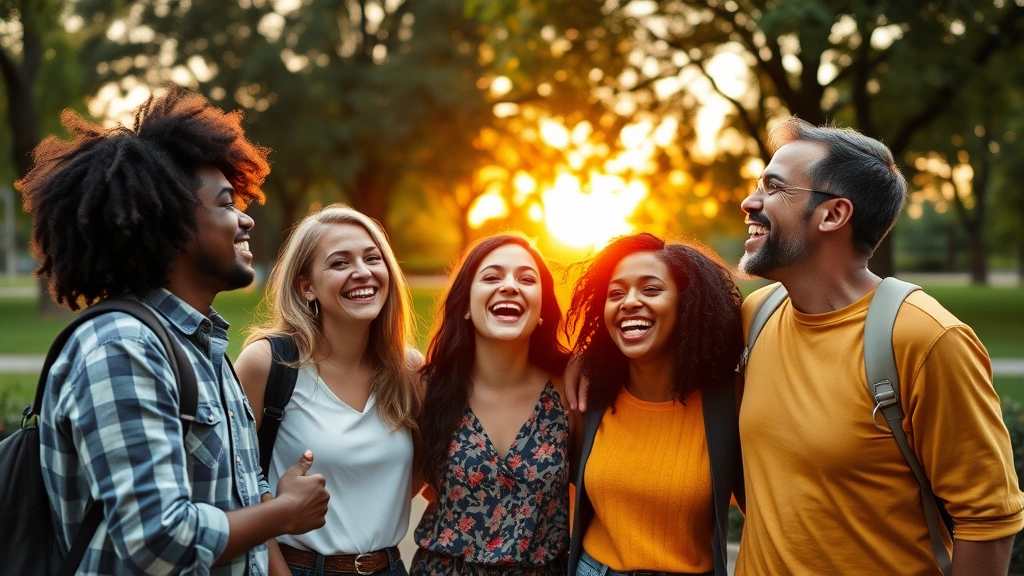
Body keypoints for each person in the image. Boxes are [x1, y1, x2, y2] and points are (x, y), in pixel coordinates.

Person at [20, 89, 330, 575]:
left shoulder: (203, 346)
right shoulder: (122, 348)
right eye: (226, 204)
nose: (246, 218)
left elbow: (234, 493)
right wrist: (284, 514)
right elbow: (156, 541)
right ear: (172, 225)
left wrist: (270, 506)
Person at [734, 117, 1023, 574]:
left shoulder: (925, 338)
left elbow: (987, 520)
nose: (750, 202)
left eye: (774, 188)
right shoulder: (756, 316)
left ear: (833, 215)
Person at [234, 204, 420, 576]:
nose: (362, 272)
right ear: (307, 287)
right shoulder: (267, 363)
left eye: (372, 258)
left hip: (388, 567)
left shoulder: (409, 370)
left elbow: (422, 470)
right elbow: (235, 485)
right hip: (295, 568)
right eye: (340, 263)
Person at [563, 233, 744, 576]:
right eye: (616, 293)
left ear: (687, 304)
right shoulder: (590, 396)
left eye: (650, 289)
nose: (629, 301)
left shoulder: (729, 400)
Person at [411, 234, 573, 576]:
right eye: (491, 277)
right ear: (466, 306)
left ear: (542, 309)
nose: (510, 286)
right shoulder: (427, 390)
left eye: (526, 279)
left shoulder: (570, 393)